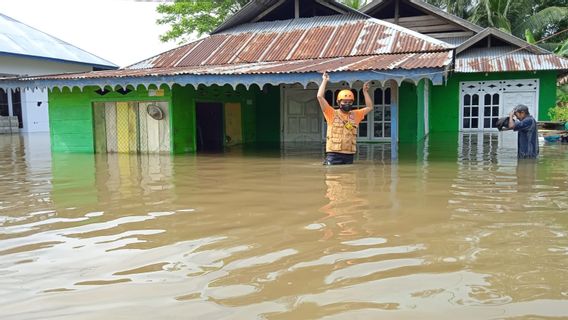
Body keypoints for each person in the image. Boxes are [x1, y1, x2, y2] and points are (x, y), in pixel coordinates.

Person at [316, 72, 373, 165]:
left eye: (350, 102)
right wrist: (325, 80)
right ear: (339, 102)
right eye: (345, 101)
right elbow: (319, 96)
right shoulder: (331, 113)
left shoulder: (355, 115)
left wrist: (365, 92)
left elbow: (369, 107)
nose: (347, 104)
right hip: (333, 154)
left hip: (349, 155)